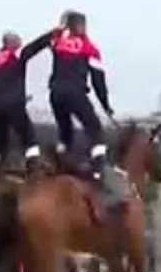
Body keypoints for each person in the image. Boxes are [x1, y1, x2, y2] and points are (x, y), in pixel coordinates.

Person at [23, 11, 114, 187]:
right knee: (95, 129)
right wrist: (106, 105)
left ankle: (58, 164)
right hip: (76, 93)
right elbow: (98, 80)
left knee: (65, 132)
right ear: (81, 26)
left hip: (56, 94)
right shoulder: (89, 48)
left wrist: (55, 31)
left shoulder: (56, 40)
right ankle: (98, 173)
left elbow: (29, 50)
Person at [0, 31, 42, 178]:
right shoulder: (15, 54)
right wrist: (54, 33)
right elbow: (34, 47)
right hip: (13, 105)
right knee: (28, 135)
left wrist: (20, 98)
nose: (21, 44)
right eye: (18, 41)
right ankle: (34, 169)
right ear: (11, 43)